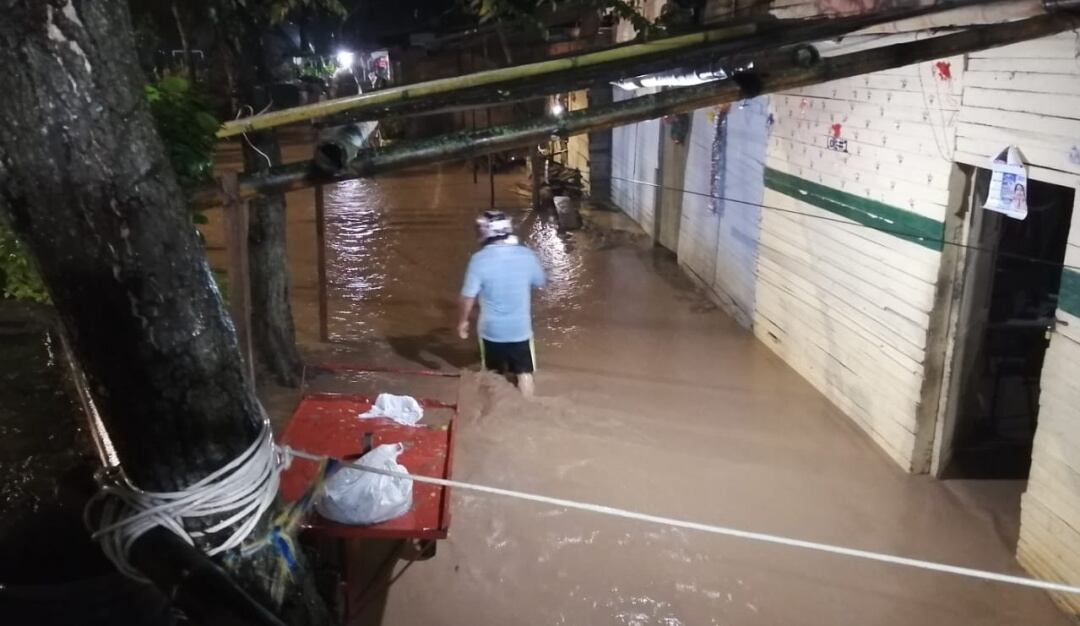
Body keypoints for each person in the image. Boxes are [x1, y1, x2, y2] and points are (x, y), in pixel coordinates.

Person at [458, 211, 546, 396]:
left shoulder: (478, 260)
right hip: (520, 330)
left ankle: (492, 410)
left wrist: (463, 322)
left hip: (491, 332)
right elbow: (540, 282)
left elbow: (468, 297)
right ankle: (528, 408)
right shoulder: (527, 255)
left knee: (493, 375)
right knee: (524, 373)